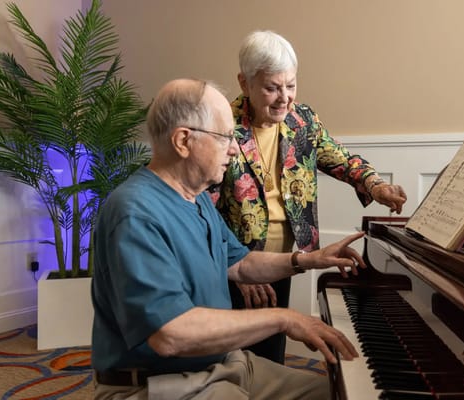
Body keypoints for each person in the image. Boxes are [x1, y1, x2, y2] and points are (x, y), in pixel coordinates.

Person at [91, 78, 368, 400]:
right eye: (225, 137)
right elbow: (170, 334)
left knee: (342, 394)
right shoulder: (135, 213)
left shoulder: (196, 199)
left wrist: (308, 260)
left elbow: (240, 263)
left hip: (225, 363)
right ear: (184, 141)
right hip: (157, 384)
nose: (235, 148)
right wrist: (283, 318)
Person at [211, 30, 408, 364]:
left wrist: (376, 185)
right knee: (230, 359)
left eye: (291, 85)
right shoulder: (222, 125)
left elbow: (341, 159)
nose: (285, 98)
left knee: (270, 356)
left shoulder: (303, 120)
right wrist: (235, 268)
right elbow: (203, 205)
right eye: (272, 87)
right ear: (244, 83)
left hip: (283, 261)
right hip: (229, 260)